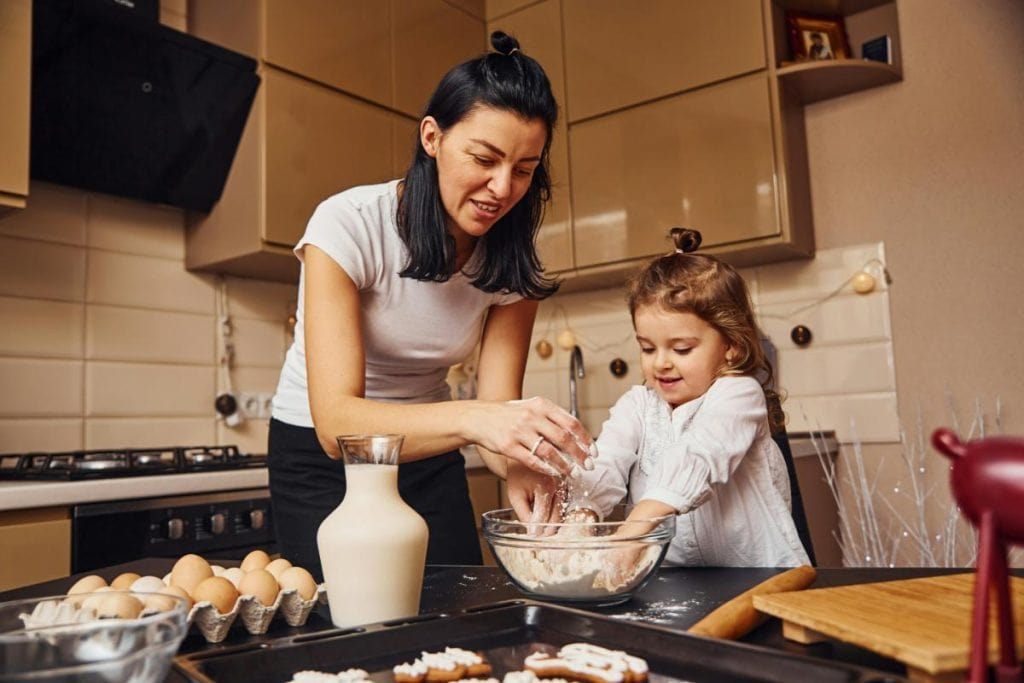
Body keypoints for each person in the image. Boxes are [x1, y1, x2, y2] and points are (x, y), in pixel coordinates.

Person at [268, 31, 594, 581]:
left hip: (427, 451)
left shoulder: (512, 258)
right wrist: (481, 421)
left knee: (455, 604)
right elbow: (336, 423)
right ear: (432, 137)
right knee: (343, 622)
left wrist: (519, 465)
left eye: (524, 169)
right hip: (320, 460)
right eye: (484, 159)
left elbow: (496, 406)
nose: (501, 187)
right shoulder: (348, 224)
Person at [575, 227, 809, 567]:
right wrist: (583, 511)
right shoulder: (637, 406)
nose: (661, 362)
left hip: (758, 579)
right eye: (647, 348)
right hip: (669, 581)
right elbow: (607, 459)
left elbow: (700, 455)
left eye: (681, 348)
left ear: (732, 346)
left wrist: (636, 528)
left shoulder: (739, 395)